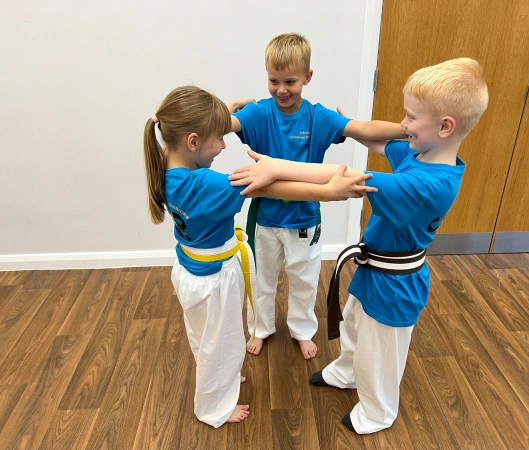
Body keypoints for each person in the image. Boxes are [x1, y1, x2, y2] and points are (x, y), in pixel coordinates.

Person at [230, 58, 489, 434]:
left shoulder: (430, 184)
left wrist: (277, 167)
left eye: (412, 118)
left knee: (379, 352)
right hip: (375, 269)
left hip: (396, 283)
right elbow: (384, 143)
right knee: (353, 326)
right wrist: (350, 127)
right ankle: (346, 372)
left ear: (445, 126)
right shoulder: (421, 155)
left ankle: (377, 412)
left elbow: (349, 177)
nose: (404, 125)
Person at [142, 85, 376, 428]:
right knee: (218, 342)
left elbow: (192, 132)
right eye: (219, 139)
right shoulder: (205, 184)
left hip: (191, 273)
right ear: (192, 142)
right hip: (213, 280)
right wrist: (327, 192)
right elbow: (272, 186)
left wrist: (223, 110)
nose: (223, 145)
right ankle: (214, 408)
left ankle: (222, 374)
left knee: (207, 337)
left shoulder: (164, 160)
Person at [229, 32, 407, 359]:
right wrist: (227, 108)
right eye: (273, 80)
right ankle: (260, 327)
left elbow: (363, 129)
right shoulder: (258, 113)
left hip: (305, 220)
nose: (281, 89)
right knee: (261, 280)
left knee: (305, 280)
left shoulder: (318, 117)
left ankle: (301, 329)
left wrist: (408, 128)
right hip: (264, 220)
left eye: (290, 81)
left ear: (307, 77)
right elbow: (223, 125)